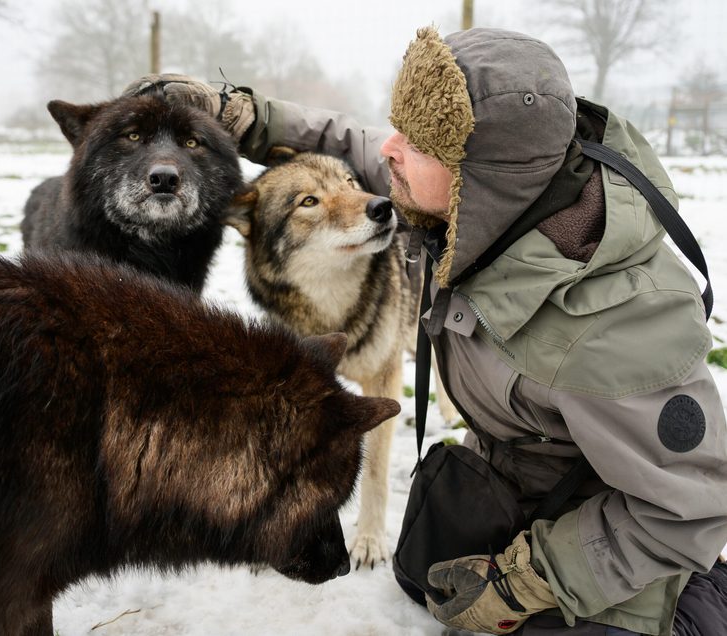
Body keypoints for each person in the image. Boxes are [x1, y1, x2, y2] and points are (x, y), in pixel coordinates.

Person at [124, 26, 727, 636]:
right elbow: (354, 145)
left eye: (415, 141)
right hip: (524, 478)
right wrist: (249, 117)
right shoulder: (474, 204)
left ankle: (698, 611)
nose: (387, 149)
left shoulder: (613, 325)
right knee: (425, 573)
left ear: (483, 174)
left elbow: (689, 506)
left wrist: (523, 581)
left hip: (624, 542)